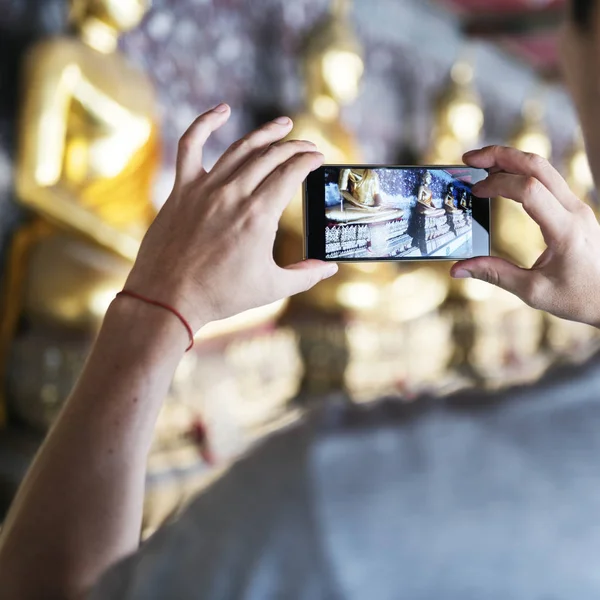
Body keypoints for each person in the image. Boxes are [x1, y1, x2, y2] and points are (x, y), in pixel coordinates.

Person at [2, 0, 600, 598]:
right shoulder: (64, 60)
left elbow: (46, 585)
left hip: (164, 262)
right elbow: (38, 182)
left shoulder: (325, 501)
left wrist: (157, 301)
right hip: (93, 246)